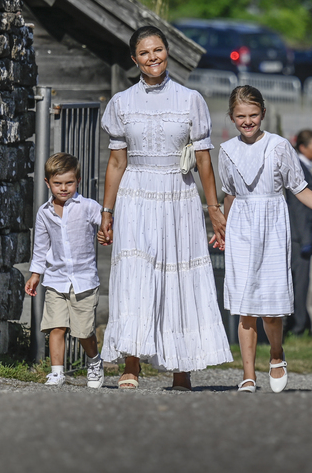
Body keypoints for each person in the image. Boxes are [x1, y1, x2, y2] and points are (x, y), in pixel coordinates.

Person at [98, 26, 233, 391]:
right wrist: (106, 212)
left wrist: (214, 207)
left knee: (178, 274)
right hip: (136, 194)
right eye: (144, 53)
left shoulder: (190, 100)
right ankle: (131, 363)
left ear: (167, 52)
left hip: (179, 195)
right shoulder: (122, 103)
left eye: (158, 50)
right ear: (134, 59)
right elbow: (115, 163)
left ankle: (181, 366)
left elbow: (204, 161)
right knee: (136, 275)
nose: (153, 57)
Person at [218, 86, 312, 393]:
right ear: (232, 117)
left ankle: (276, 354)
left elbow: (299, 187)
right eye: (240, 116)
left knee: (270, 308)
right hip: (241, 228)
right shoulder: (227, 151)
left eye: (253, 115)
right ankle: (248, 374)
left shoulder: (279, 146)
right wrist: (223, 228)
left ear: (263, 113)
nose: (247, 121)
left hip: (273, 226)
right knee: (245, 308)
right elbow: (229, 194)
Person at [25, 152, 105, 389]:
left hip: (84, 280)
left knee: (83, 331)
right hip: (56, 279)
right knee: (56, 327)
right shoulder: (44, 212)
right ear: (47, 183)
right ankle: (57, 372)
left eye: (69, 183)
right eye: (57, 184)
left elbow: (107, 225)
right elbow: (41, 247)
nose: (63, 188)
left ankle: (94, 361)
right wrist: (35, 274)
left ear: (78, 181)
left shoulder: (88, 207)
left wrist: (105, 232)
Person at [284, 129, 312, 336]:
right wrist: (306, 239)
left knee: (299, 284)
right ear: (302, 147)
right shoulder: (299, 168)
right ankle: (297, 328)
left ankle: (301, 325)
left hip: (301, 237)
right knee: (299, 284)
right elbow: (299, 207)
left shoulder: (303, 167)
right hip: (299, 239)